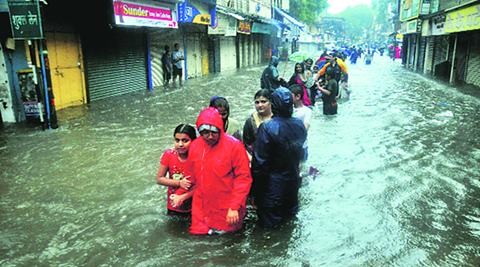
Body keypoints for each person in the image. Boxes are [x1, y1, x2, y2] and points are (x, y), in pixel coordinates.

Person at [187, 107, 252, 235]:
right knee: (199, 240)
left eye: (214, 132)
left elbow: (243, 178)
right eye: (205, 132)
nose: (210, 136)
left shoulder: (234, 146)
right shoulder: (195, 146)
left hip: (227, 207)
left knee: (228, 241)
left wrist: (234, 207)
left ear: (220, 130)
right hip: (201, 206)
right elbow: (192, 176)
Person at [252, 87, 307, 228]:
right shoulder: (299, 125)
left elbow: (259, 165)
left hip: (272, 190)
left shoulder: (266, 128)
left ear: (273, 105)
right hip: (292, 186)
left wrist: (255, 193)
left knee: (269, 229)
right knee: (289, 226)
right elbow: (300, 155)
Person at [156, 124, 197, 215]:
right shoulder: (169, 154)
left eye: (185, 141)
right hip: (174, 206)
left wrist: (183, 197)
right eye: (177, 140)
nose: (180, 144)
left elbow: (204, 186)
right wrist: (179, 183)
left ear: (194, 141)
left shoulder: (198, 157)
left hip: (194, 207)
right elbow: (159, 179)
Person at [243, 89, 273, 159]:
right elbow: (246, 144)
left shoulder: (277, 118)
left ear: (270, 102)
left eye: (263, 102)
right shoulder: (250, 122)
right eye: (257, 102)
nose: (260, 105)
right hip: (256, 160)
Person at [289, 84, 312, 163]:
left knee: (301, 167)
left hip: (302, 146)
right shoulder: (289, 109)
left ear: (298, 96)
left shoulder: (307, 111)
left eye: (290, 96)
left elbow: (306, 127)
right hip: (290, 146)